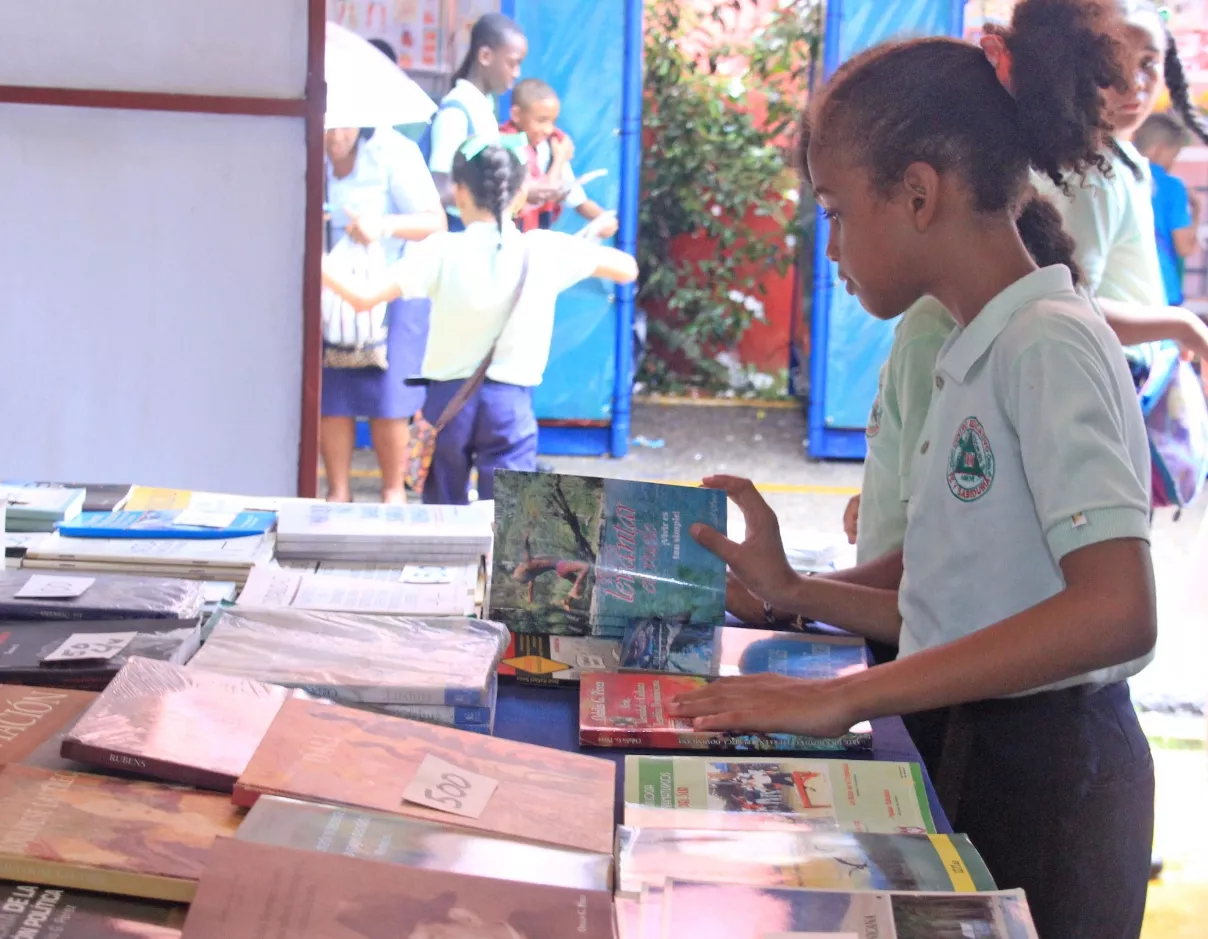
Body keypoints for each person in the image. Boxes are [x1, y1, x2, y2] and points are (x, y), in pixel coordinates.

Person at [671, 2, 1157, 937]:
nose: (835, 247)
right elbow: (953, 609)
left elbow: (1115, 608)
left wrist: (846, 692)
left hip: (1053, 778)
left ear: (920, 194)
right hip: (972, 741)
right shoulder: (974, 345)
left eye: (838, 213)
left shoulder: (1045, 342)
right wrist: (792, 588)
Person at [321, 138, 637, 505]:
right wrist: (579, 247)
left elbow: (363, 297)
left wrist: (319, 262)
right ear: (520, 195)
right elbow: (626, 269)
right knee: (509, 524)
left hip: (446, 404)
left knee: (443, 523)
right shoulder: (545, 249)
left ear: (459, 192)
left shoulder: (440, 250)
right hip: (510, 406)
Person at [322, 125, 446, 503]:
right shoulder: (303, 144)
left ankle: (393, 494)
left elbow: (434, 222)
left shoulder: (394, 151)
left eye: (343, 124)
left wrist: (382, 226)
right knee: (331, 397)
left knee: (389, 402)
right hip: (330, 293)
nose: (333, 135)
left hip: (392, 292)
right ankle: (337, 494)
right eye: (327, 123)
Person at [428, 13, 527, 230]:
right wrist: (500, 198)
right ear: (485, 56)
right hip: (459, 234)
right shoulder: (456, 112)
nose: (516, 73)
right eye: (512, 63)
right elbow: (440, 190)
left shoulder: (482, 106)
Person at [502, 78, 620, 237]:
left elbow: (577, 199)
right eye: (541, 120)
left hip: (536, 237)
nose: (548, 129)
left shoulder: (550, 147)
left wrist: (602, 219)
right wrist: (559, 159)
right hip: (509, 238)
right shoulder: (504, 147)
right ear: (516, 114)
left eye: (553, 121)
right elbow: (545, 190)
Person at [1135, 112, 1198, 307]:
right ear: (1160, 150)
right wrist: (1197, 209)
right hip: (1162, 288)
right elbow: (1184, 247)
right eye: (1174, 155)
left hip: (1126, 287)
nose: (1173, 163)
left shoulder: (1118, 175)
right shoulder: (1172, 187)